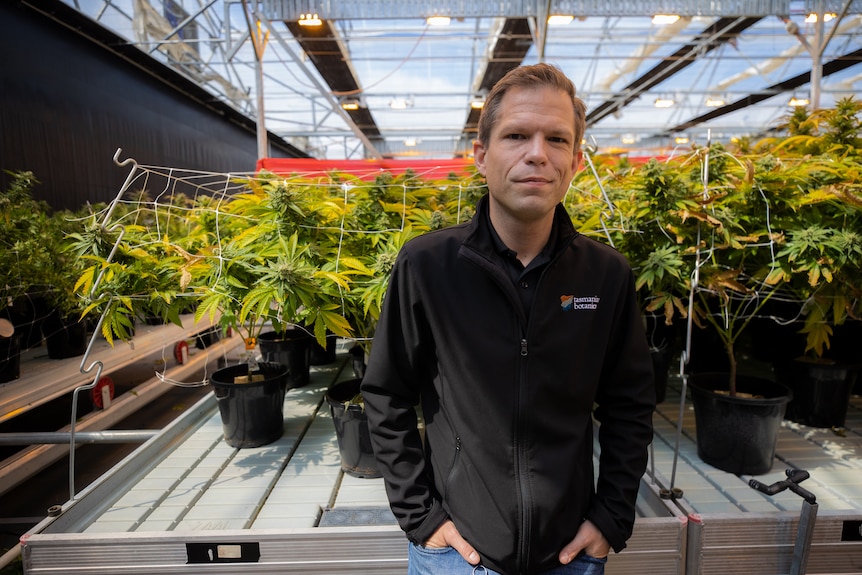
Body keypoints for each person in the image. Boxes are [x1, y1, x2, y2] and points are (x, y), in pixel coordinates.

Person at [361, 63, 655, 575]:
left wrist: (611, 517)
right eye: (517, 135)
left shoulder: (605, 276)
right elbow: (387, 394)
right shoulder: (428, 266)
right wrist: (421, 517)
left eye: (557, 139)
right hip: (456, 555)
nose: (537, 154)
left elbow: (630, 406)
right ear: (481, 155)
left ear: (577, 160)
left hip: (570, 555)